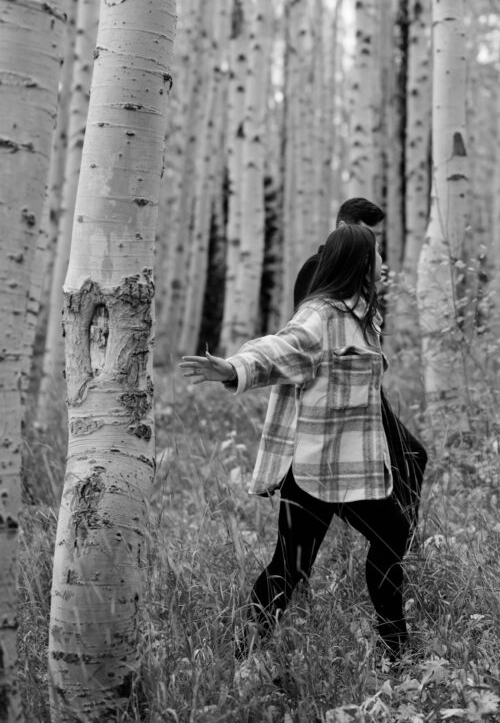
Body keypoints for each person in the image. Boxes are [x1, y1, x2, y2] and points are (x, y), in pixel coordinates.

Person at [181, 224, 411, 661]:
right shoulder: (319, 316)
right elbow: (278, 349)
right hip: (311, 466)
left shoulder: (364, 317)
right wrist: (232, 368)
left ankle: (395, 649)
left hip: (352, 466)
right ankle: (243, 651)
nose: (383, 263)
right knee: (292, 565)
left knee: (391, 534)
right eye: (378, 255)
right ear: (361, 262)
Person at [294, 198, 427, 540]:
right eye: (372, 236)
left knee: (412, 456)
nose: (375, 247)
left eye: (378, 241)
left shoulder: (364, 275)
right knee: (305, 525)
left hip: (364, 395)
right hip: (334, 401)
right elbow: (302, 338)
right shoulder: (319, 270)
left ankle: (399, 541)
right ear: (345, 230)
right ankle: (388, 534)